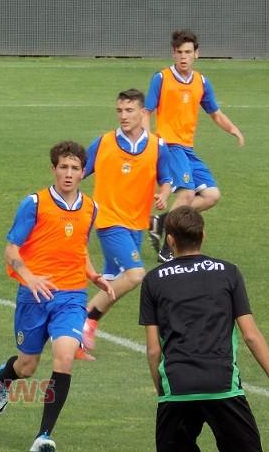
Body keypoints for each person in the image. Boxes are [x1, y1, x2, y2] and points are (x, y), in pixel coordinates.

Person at [139, 206, 269, 451]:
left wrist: (162, 390)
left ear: (170, 240)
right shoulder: (228, 273)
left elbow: (153, 350)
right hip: (222, 386)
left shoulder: (153, 279)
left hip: (177, 388)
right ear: (203, 236)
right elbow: (251, 335)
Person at [0, 141, 114, 452]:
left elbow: (79, 250)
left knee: (65, 357)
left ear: (83, 172)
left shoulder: (91, 207)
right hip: (34, 298)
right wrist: (29, 277)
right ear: (53, 169)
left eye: (75, 168)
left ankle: (43, 436)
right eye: (63, 167)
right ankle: (5, 378)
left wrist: (95, 275)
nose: (69, 174)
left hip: (71, 296)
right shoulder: (34, 204)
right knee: (27, 366)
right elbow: (11, 250)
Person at [74, 89, 173, 360]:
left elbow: (167, 179)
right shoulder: (104, 142)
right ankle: (83, 322)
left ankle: (72, 334)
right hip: (109, 222)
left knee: (111, 284)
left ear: (142, 113)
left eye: (129, 111)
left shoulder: (156, 146)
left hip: (136, 225)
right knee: (135, 275)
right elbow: (78, 172)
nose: (123, 116)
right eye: (119, 111)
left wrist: (163, 196)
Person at [144, 29, 245, 262]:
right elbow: (146, 111)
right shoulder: (161, 78)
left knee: (211, 195)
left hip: (187, 150)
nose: (183, 57)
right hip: (169, 145)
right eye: (179, 52)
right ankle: (167, 249)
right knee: (187, 193)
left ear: (196, 54)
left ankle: (162, 221)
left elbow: (215, 113)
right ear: (173, 53)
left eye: (188, 52)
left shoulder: (201, 82)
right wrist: (150, 142)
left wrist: (234, 130)